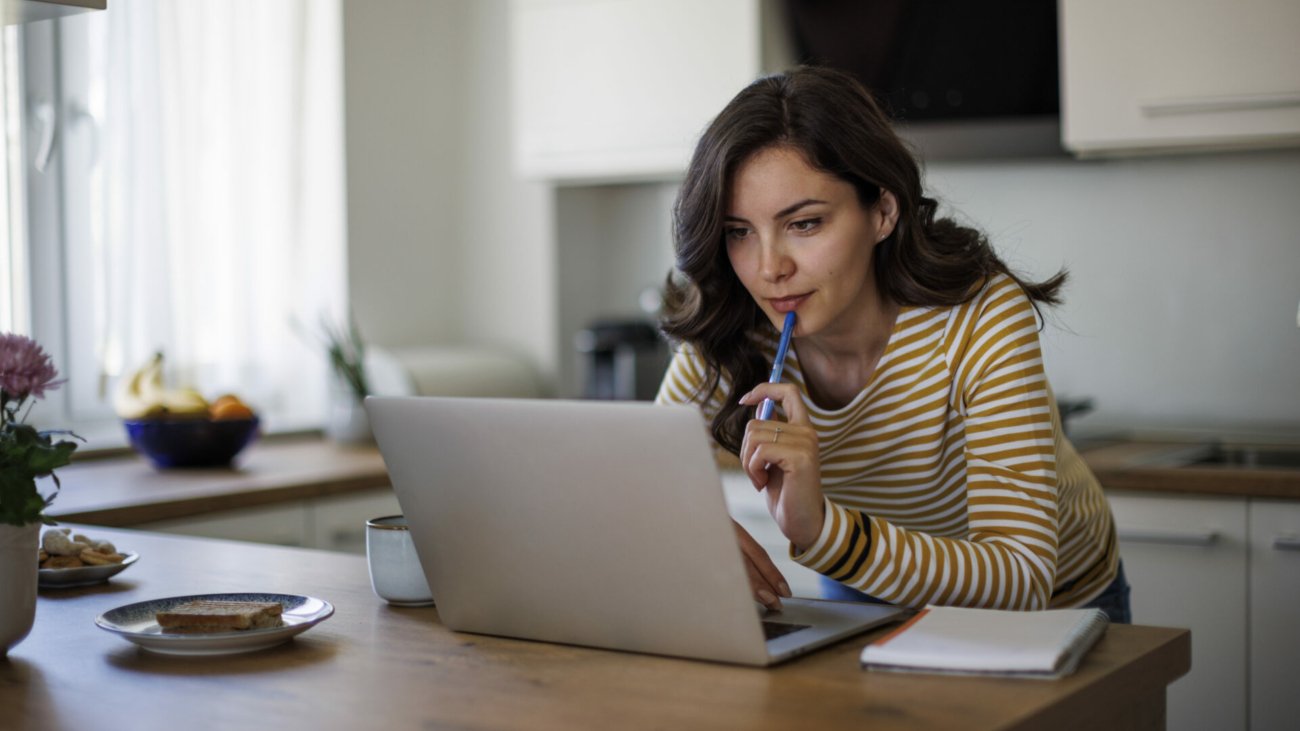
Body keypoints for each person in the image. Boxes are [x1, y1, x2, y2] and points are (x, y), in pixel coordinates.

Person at [655, 66, 1130, 624]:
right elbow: (642, 481)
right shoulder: (735, 324)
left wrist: (825, 533)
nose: (768, 269)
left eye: (804, 224)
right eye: (739, 232)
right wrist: (690, 530)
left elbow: (1022, 574)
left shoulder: (979, 315)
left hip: (1054, 607)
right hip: (869, 588)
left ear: (882, 211)